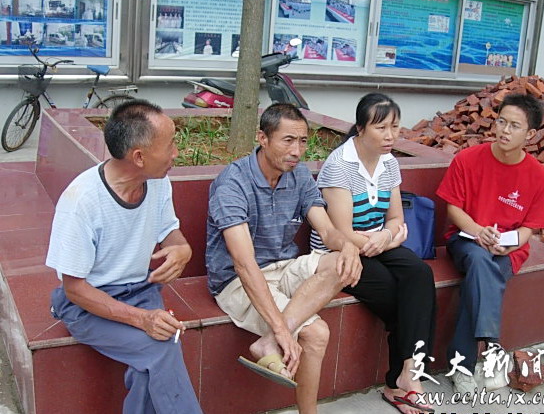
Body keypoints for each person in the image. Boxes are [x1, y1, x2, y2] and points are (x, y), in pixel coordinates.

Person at [46, 100, 203, 414]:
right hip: (87, 303)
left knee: (154, 358)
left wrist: (183, 248)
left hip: (141, 291)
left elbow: (169, 231)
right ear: (139, 157)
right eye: (170, 145)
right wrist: (142, 319)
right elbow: (75, 289)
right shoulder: (82, 201)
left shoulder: (157, 181)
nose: (176, 153)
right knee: (161, 347)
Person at [206, 103, 362, 413]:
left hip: (284, 267)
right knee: (316, 333)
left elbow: (327, 231)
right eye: (288, 140)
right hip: (236, 281)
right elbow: (244, 265)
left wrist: (348, 246)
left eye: (302, 141)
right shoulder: (233, 183)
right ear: (262, 138)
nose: (297, 151)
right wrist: (280, 329)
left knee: (341, 263)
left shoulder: (298, 174)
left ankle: (268, 343)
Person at [312, 93, 436, 414]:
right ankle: (397, 384)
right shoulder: (339, 166)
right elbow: (341, 234)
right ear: (360, 129)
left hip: (377, 243)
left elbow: (396, 219)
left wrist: (386, 237)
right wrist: (387, 239)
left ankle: (408, 374)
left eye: (395, 127)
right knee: (398, 297)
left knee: (420, 274)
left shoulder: (389, 162)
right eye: (381, 128)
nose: (390, 135)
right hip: (340, 251)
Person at [436, 93, 544, 395]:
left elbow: (529, 227)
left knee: (482, 273)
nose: (504, 130)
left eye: (514, 126)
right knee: (478, 259)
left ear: (530, 135)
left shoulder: (538, 175)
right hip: (466, 239)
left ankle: (462, 367)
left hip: (508, 249)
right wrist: (477, 231)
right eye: (501, 121)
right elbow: (453, 209)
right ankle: (492, 343)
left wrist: (511, 245)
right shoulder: (467, 159)